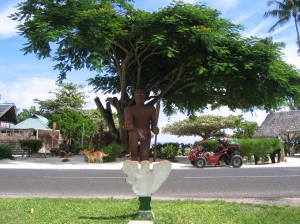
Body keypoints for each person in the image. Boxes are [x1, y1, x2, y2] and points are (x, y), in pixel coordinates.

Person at [123, 89, 159, 161]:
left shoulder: (151, 109)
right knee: (132, 134)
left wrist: (155, 129)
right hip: (134, 132)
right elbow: (128, 122)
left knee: (145, 159)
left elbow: (153, 125)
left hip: (146, 133)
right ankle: (134, 158)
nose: (139, 95)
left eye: (142, 94)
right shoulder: (128, 109)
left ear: (145, 96)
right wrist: (128, 126)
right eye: (137, 94)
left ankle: (144, 168)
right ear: (134, 96)